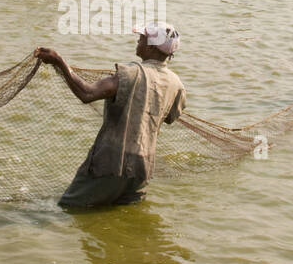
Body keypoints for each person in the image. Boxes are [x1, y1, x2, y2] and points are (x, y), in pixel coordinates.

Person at [35, 24, 186, 208]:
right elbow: (170, 117)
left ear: (152, 47)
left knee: (68, 209)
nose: (139, 39)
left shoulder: (131, 73)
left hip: (110, 162)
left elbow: (87, 93)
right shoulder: (176, 84)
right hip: (142, 168)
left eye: (143, 38)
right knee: (122, 216)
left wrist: (58, 61)